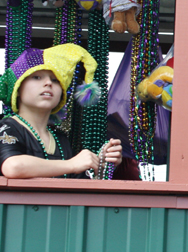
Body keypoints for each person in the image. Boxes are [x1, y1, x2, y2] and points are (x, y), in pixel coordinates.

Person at [0, 44, 122, 179]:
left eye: (55, 80)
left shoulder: (60, 139)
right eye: (37, 77)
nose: (48, 83)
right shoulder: (7, 127)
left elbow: (77, 188)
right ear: (17, 89)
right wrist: (71, 164)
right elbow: (13, 166)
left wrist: (101, 166)